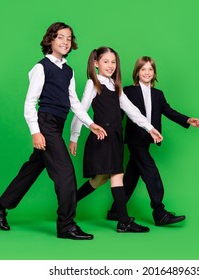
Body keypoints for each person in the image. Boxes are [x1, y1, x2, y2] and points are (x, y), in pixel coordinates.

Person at [0, 22, 107, 240]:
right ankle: (66, 225)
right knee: (66, 175)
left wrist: (90, 123)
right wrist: (36, 131)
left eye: (69, 38)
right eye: (60, 37)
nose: (65, 42)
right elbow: (29, 102)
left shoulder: (69, 71)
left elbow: (74, 103)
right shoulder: (41, 67)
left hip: (57, 125)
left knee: (32, 169)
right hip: (46, 124)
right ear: (50, 40)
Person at [69, 47, 163, 233]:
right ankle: (124, 221)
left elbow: (132, 111)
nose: (110, 65)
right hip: (102, 138)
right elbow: (81, 109)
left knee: (100, 179)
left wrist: (150, 128)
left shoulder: (115, 86)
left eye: (113, 62)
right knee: (117, 175)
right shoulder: (93, 83)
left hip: (115, 139)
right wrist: (74, 137)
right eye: (106, 61)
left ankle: (68, 203)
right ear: (96, 63)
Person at [106, 56, 199, 226]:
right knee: (151, 172)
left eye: (150, 69)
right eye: (143, 69)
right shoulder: (128, 91)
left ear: (154, 73)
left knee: (131, 176)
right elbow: (118, 115)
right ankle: (159, 212)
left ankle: (115, 211)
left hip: (148, 140)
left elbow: (169, 111)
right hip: (135, 140)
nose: (147, 72)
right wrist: (112, 135)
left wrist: (187, 120)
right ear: (137, 72)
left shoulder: (158, 94)